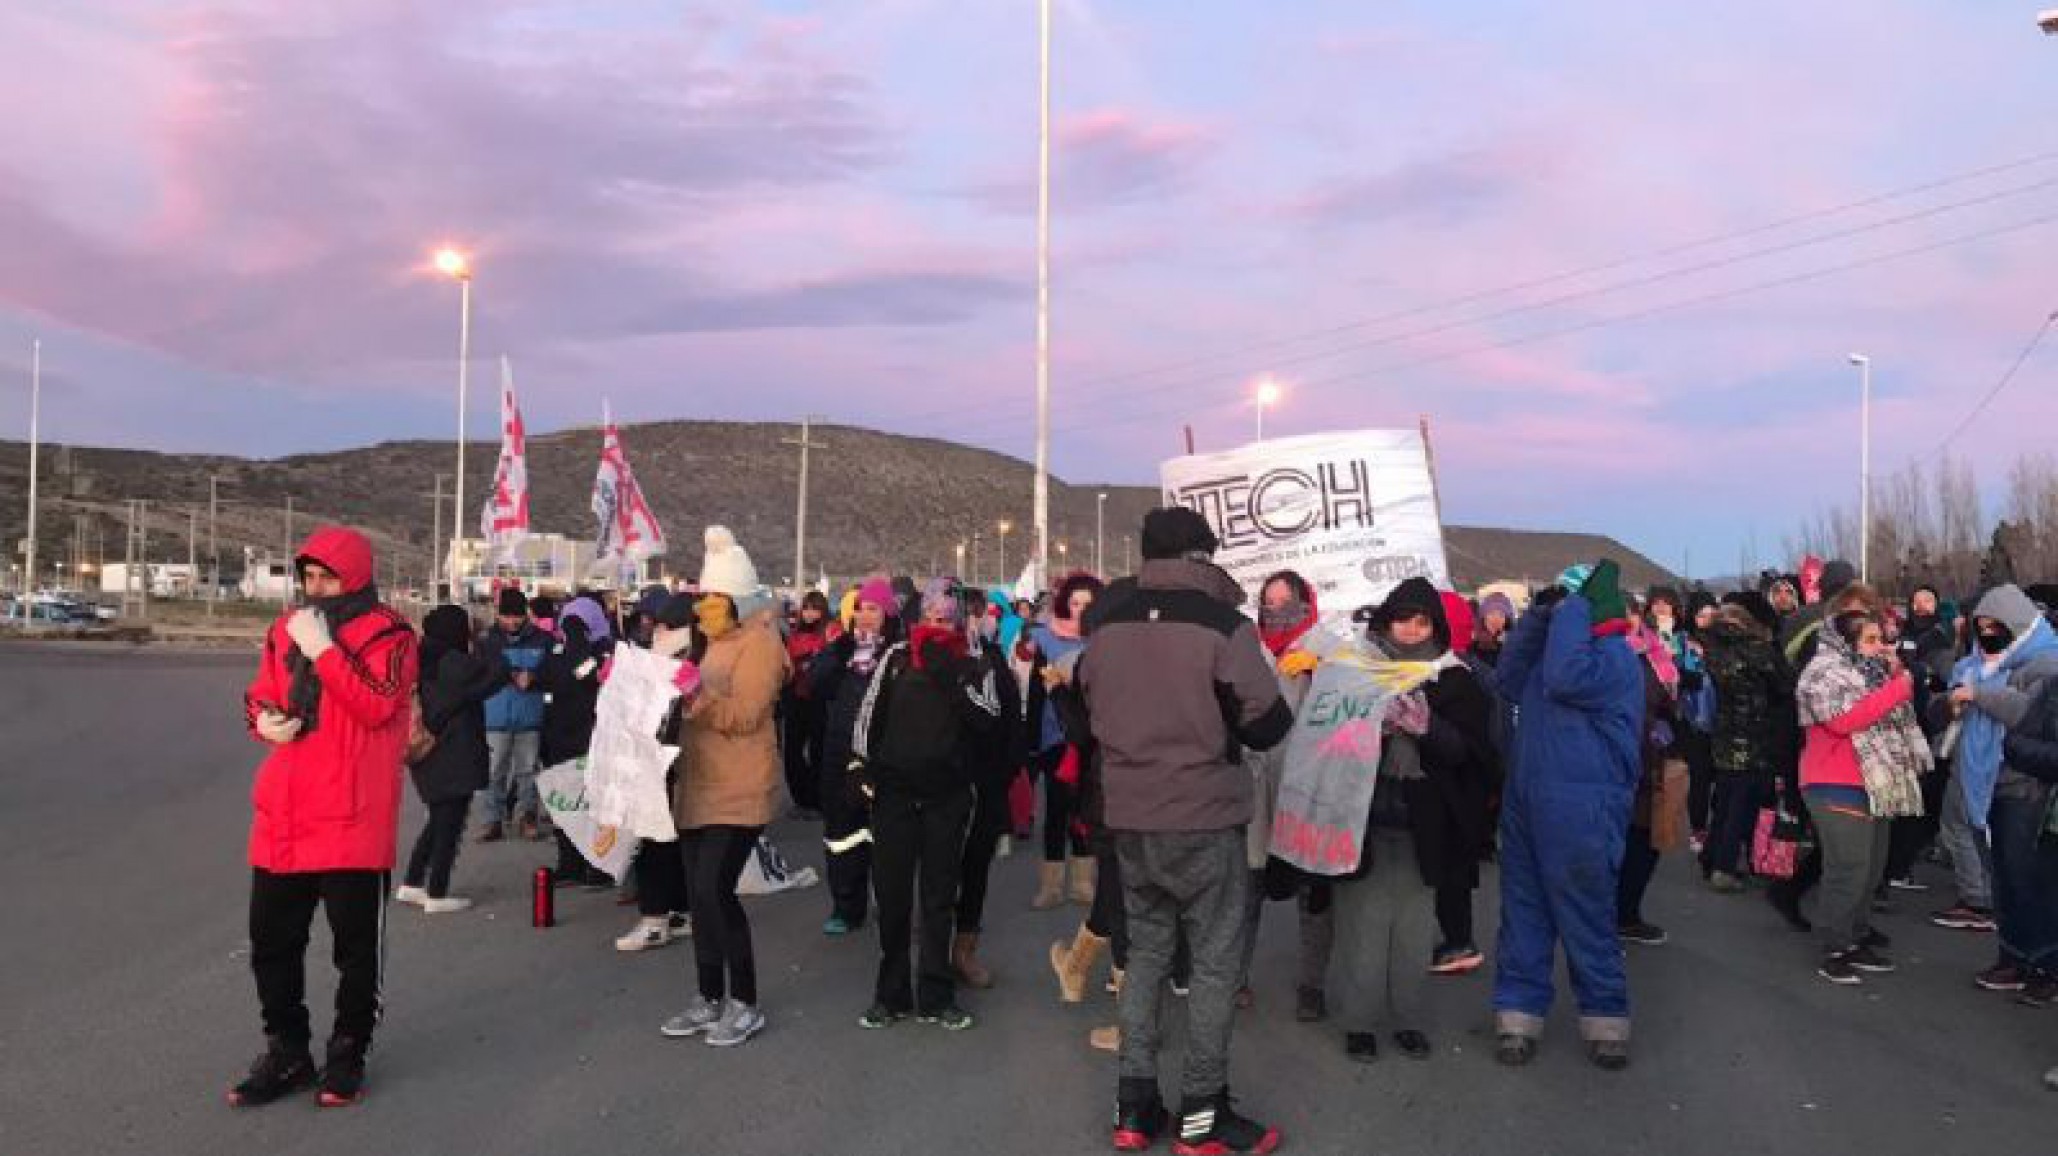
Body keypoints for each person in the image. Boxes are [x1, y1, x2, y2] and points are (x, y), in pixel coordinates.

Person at [1077, 507, 1293, 1154]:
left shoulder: (1106, 624)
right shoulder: (1224, 625)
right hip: (1203, 816)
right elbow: (1268, 721)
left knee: (1143, 957)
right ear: (1201, 555)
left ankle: (1134, 1105)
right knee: (1214, 964)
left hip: (1130, 815)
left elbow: (1087, 705)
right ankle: (1203, 1111)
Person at [228, 527, 418, 1109]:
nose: (316, 588)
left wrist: (325, 652)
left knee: (355, 952)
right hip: (285, 814)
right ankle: (287, 1050)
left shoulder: (391, 634)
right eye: (308, 577)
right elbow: (261, 691)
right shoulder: (283, 629)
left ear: (354, 575)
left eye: (327, 577)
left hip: (351, 817)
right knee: (271, 944)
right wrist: (261, 719)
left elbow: (377, 705)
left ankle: (347, 1052)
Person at [1331, 578, 1494, 1065]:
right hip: (1364, 823)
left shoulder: (1455, 679)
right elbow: (1326, 743)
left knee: (1413, 931)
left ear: (1436, 626)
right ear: (1384, 621)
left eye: (1421, 620)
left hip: (1427, 827)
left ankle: (1408, 1019)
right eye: (1402, 618)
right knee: (1362, 928)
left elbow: (1474, 754)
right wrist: (1369, 730)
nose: (1410, 629)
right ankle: (1359, 1023)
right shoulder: (1355, 673)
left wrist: (1430, 731)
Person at [1490, 560, 1644, 1071]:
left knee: (1585, 912)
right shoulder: (1550, 654)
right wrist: (1537, 616)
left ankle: (1605, 1016)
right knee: (1523, 910)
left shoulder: (1614, 660)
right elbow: (1508, 676)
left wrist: (1575, 606)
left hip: (1584, 805)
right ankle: (1518, 1013)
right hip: (1528, 797)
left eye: (1570, 606)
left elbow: (1563, 677)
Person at [851, 578, 1002, 1031]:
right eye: (930, 618)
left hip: (947, 796)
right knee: (893, 897)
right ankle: (891, 993)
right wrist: (860, 770)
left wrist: (951, 675)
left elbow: (989, 717)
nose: (937, 627)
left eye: (946, 619)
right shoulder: (895, 660)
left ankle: (937, 993)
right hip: (895, 794)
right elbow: (868, 716)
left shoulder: (974, 662)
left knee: (938, 897)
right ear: (917, 619)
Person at [659, 527, 786, 1048]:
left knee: (715, 889)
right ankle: (708, 996)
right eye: (703, 597)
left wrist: (696, 696)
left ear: (739, 599)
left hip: (739, 788)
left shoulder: (760, 643)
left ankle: (744, 1001)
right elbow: (692, 706)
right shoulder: (712, 645)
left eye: (716, 597)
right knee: (698, 894)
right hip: (699, 783)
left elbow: (748, 714)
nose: (707, 606)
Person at [1795, 609, 1930, 984]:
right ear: (1847, 640)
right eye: (1869, 640)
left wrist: (1898, 678)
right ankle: (1833, 946)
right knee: (1848, 868)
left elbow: (1895, 712)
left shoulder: (1872, 672)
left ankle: (1854, 935)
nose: (1877, 648)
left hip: (1876, 780)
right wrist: (1895, 689)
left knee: (1872, 867)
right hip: (1833, 780)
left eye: (1880, 640)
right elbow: (1843, 719)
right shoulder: (1821, 672)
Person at [1238, 571, 1340, 1017]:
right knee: (1246, 887)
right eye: (1269, 601)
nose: (1276, 610)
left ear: (1304, 601)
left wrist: (1322, 673)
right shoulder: (1247, 645)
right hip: (1256, 776)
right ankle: (1234, 978)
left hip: (1306, 780)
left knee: (1312, 890)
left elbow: (1348, 701)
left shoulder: (1327, 645)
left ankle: (1312, 985)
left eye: (1285, 601)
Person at [1950, 585, 2058, 998]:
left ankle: (2044, 964)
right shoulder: (1981, 663)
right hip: (1990, 780)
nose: (1988, 636)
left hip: (2027, 786)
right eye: (1981, 628)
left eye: (1996, 627)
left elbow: (2025, 711)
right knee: (2006, 880)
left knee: (2028, 880)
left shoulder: (2046, 661)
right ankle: (2013, 956)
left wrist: (1978, 694)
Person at [811, 577, 902, 935]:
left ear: (888, 615)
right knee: (841, 834)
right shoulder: (842, 651)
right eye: (861, 608)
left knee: (885, 834)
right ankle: (846, 907)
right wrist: (838, 651)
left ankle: (890, 903)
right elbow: (817, 686)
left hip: (882, 755)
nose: (865, 616)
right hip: (839, 751)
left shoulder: (898, 654)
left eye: (873, 609)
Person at [397, 604, 499, 914]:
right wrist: (484, 639)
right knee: (449, 824)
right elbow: (495, 674)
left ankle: (413, 883)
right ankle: (437, 893)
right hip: (453, 752)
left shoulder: (421, 656)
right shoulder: (454, 663)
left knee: (437, 819)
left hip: (425, 751)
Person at [1698, 592, 1791, 898]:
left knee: (1724, 801)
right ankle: (1725, 867)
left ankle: (1712, 858)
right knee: (1742, 805)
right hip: (1755, 735)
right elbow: (1784, 685)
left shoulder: (1713, 647)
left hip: (1724, 734)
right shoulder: (1759, 651)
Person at [953, 585, 1023, 989]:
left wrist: (1008, 772)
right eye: (973, 613)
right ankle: (932, 948)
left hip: (987, 783)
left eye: (983, 612)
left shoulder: (995, 661)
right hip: (944, 781)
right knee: (940, 869)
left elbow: (1011, 721)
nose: (981, 620)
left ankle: (965, 949)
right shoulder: (935, 658)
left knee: (976, 868)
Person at [1026, 572, 1104, 909]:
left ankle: (1083, 882)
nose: (1081, 610)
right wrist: (1031, 741)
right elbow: (1035, 693)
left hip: (1094, 737)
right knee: (1056, 811)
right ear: (1064, 605)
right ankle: (1051, 885)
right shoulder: (1045, 640)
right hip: (1055, 737)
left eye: (1088, 604)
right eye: (1075, 603)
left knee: (1085, 812)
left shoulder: (1105, 640)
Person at [1616, 605, 1682, 947]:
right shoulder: (1611, 655)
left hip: (1652, 759)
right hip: (1621, 761)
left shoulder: (1654, 652)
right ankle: (1617, 916)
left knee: (1646, 841)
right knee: (1627, 842)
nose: (1629, 620)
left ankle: (1627, 913)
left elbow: (1667, 702)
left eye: (1633, 613)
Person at [475, 587, 549, 842]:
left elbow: (553, 672)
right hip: (495, 717)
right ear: (498, 615)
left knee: (528, 771)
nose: (512, 622)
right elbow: (480, 672)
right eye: (507, 616)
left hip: (530, 716)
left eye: (517, 616)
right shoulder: (486, 641)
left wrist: (536, 677)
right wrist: (510, 674)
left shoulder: (542, 639)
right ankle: (491, 820)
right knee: (494, 771)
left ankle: (527, 817)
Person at [782, 591, 842, 817]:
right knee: (793, 751)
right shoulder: (794, 633)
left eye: (815, 608)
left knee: (819, 751)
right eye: (806, 608)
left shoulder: (831, 631)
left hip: (819, 698)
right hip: (796, 696)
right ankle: (802, 798)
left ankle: (818, 800)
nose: (810, 614)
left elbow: (836, 660)